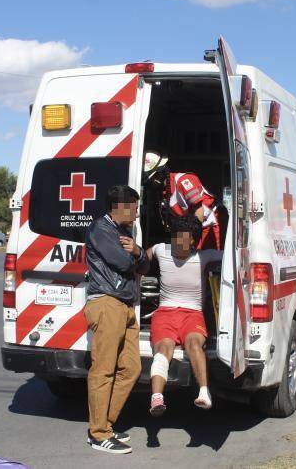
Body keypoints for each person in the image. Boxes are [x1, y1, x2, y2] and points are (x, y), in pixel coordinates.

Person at [83, 185, 149, 454]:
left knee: (131, 368)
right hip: (107, 302)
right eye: (133, 207)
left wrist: (138, 253)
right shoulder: (101, 229)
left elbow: (144, 264)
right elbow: (124, 264)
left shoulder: (124, 232)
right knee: (104, 370)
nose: (136, 213)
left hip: (125, 304)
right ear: (120, 207)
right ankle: (99, 434)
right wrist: (136, 254)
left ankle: (103, 426)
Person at [145, 215, 222, 416]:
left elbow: (233, 256)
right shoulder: (161, 249)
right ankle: (156, 399)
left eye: (184, 239)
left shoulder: (203, 257)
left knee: (194, 345)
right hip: (165, 313)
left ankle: (204, 392)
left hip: (192, 314)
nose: (178, 243)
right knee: (163, 349)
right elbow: (142, 258)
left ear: (194, 241)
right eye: (176, 238)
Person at [143, 152, 224, 250]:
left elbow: (199, 211)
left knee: (207, 259)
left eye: (151, 179)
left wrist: (191, 240)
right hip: (191, 228)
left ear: (158, 176)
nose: (151, 183)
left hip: (208, 223)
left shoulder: (184, 181)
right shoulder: (163, 193)